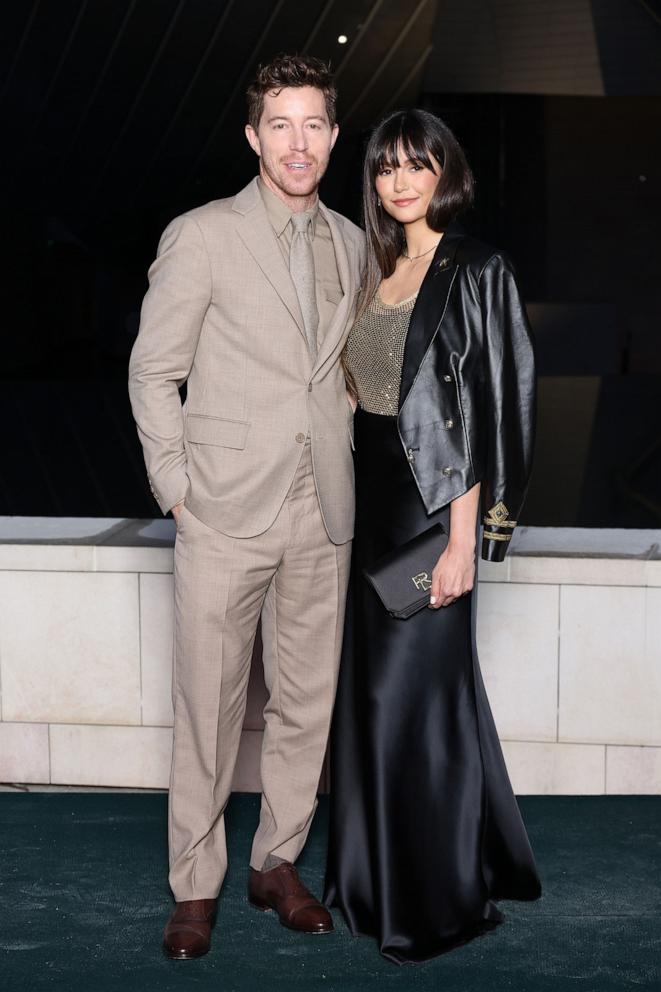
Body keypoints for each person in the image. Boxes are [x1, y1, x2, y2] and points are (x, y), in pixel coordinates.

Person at [128, 54, 365, 959]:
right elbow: (154, 371)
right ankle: (194, 886)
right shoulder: (203, 234)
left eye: (313, 125)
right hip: (222, 508)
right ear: (253, 136)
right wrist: (178, 493)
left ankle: (276, 863)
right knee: (210, 705)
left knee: (306, 702)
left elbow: (339, 373)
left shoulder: (350, 240)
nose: (297, 143)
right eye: (281, 125)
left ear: (332, 136)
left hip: (321, 509)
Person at [323, 108, 542, 964]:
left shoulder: (478, 268)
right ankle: (372, 879)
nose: (401, 181)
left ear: (445, 171)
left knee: (414, 705)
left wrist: (466, 543)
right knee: (379, 702)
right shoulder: (377, 267)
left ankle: (433, 899)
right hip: (367, 507)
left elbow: (488, 415)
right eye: (386, 168)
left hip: (430, 510)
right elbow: (356, 393)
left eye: (418, 165)